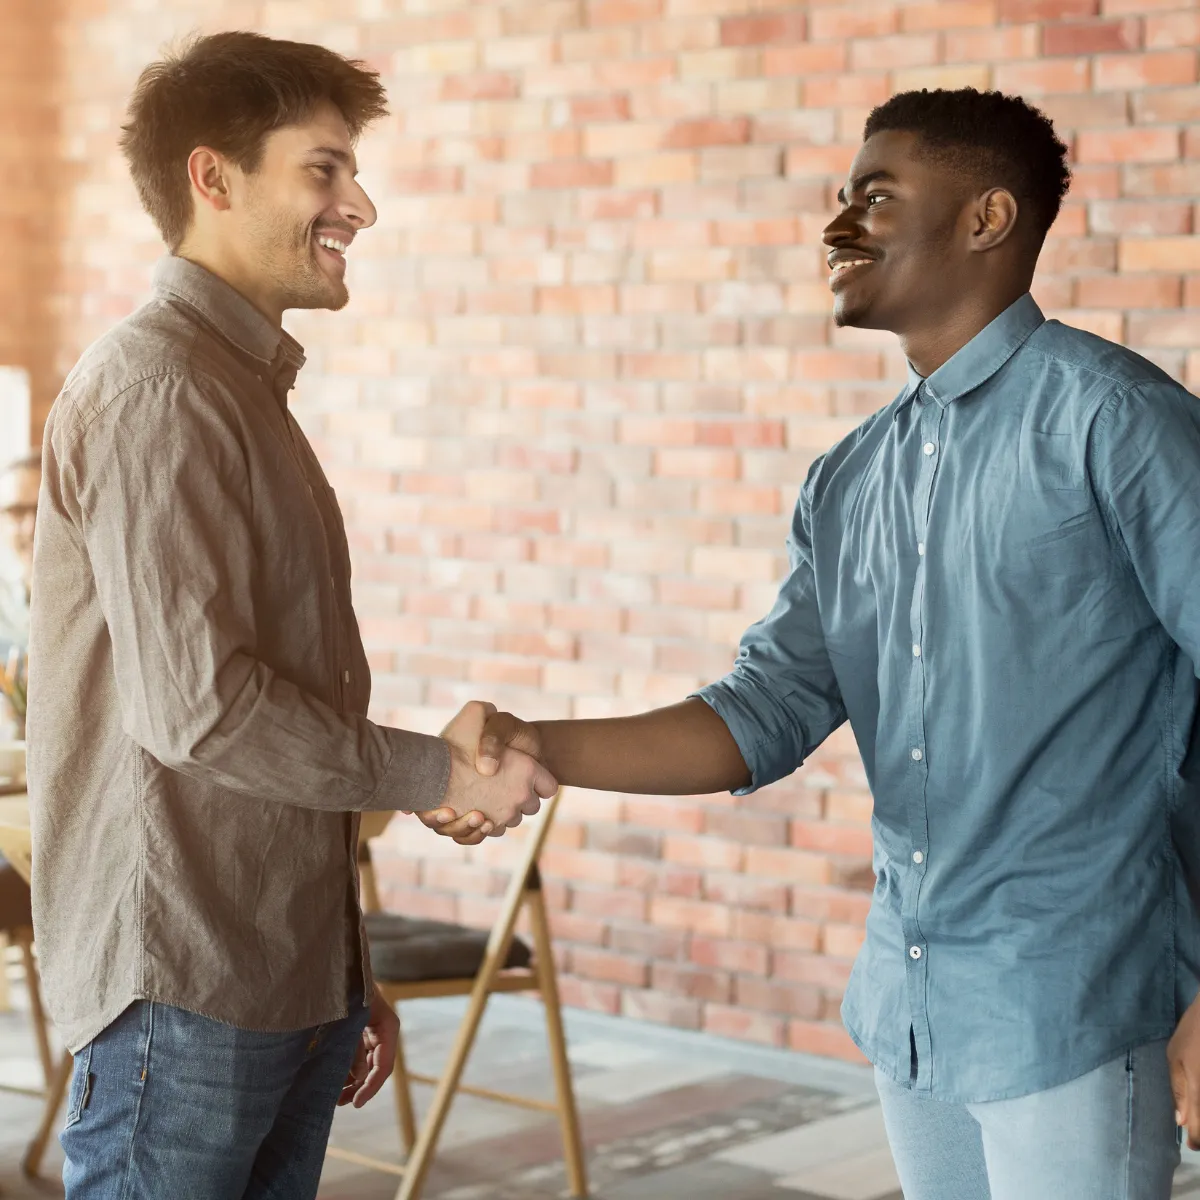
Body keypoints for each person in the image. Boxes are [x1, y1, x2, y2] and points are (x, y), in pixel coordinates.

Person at [431, 88, 1200, 1199]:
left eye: (876, 199)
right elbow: (762, 713)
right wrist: (527, 740)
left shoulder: (1114, 422)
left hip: (1076, 1001)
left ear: (988, 219)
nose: (837, 226)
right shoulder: (850, 479)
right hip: (911, 1000)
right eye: (843, 197)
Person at [27, 32, 551, 1200]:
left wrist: (338, 975)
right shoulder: (160, 390)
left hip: (271, 984)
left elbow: (275, 707)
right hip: (188, 992)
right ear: (214, 178)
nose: (359, 202)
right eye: (324, 168)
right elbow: (203, 714)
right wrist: (439, 774)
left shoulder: (237, 389)